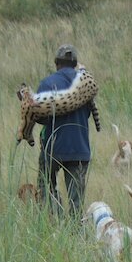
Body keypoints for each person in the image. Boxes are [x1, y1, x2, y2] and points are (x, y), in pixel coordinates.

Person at [36, 44, 92, 219]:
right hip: (80, 148)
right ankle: (75, 230)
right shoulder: (85, 83)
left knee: (45, 184)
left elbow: (40, 116)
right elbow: (89, 113)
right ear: (75, 63)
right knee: (76, 200)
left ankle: (58, 218)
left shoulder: (47, 83)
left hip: (54, 146)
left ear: (56, 63)